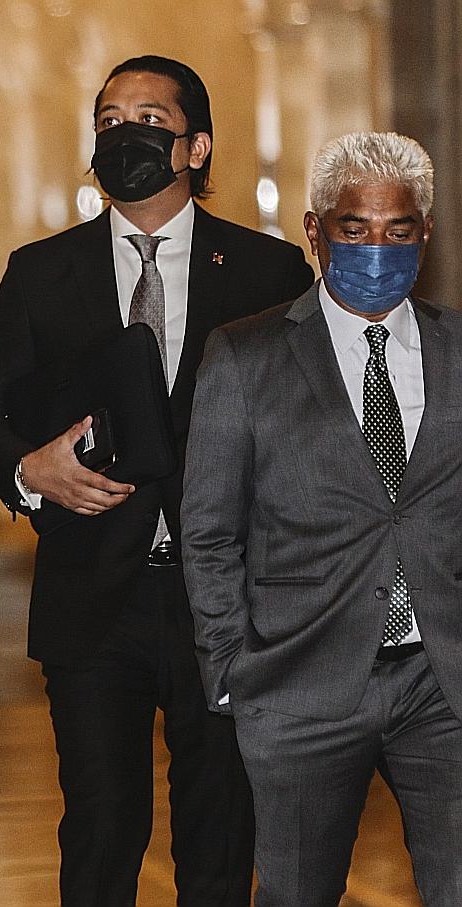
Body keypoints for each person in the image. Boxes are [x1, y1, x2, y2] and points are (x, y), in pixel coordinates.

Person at [0, 56, 314, 905]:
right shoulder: (41, 271)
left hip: (228, 601)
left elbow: (307, 429)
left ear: (196, 146)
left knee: (220, 840)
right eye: (109, 121)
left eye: (149, 120)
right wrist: (30, 470)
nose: (125, 136)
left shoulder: (268, 272)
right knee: (100, 837)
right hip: (93, 601)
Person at [183, 132, 462, 905]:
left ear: (426, 234)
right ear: (315, 230)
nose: (378, 249)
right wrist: (233, 669)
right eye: (355, 228)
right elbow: (209, 531)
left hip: (442, 681)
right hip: (299, 685)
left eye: (398, 230)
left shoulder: (457, 349)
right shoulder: (245, 356)